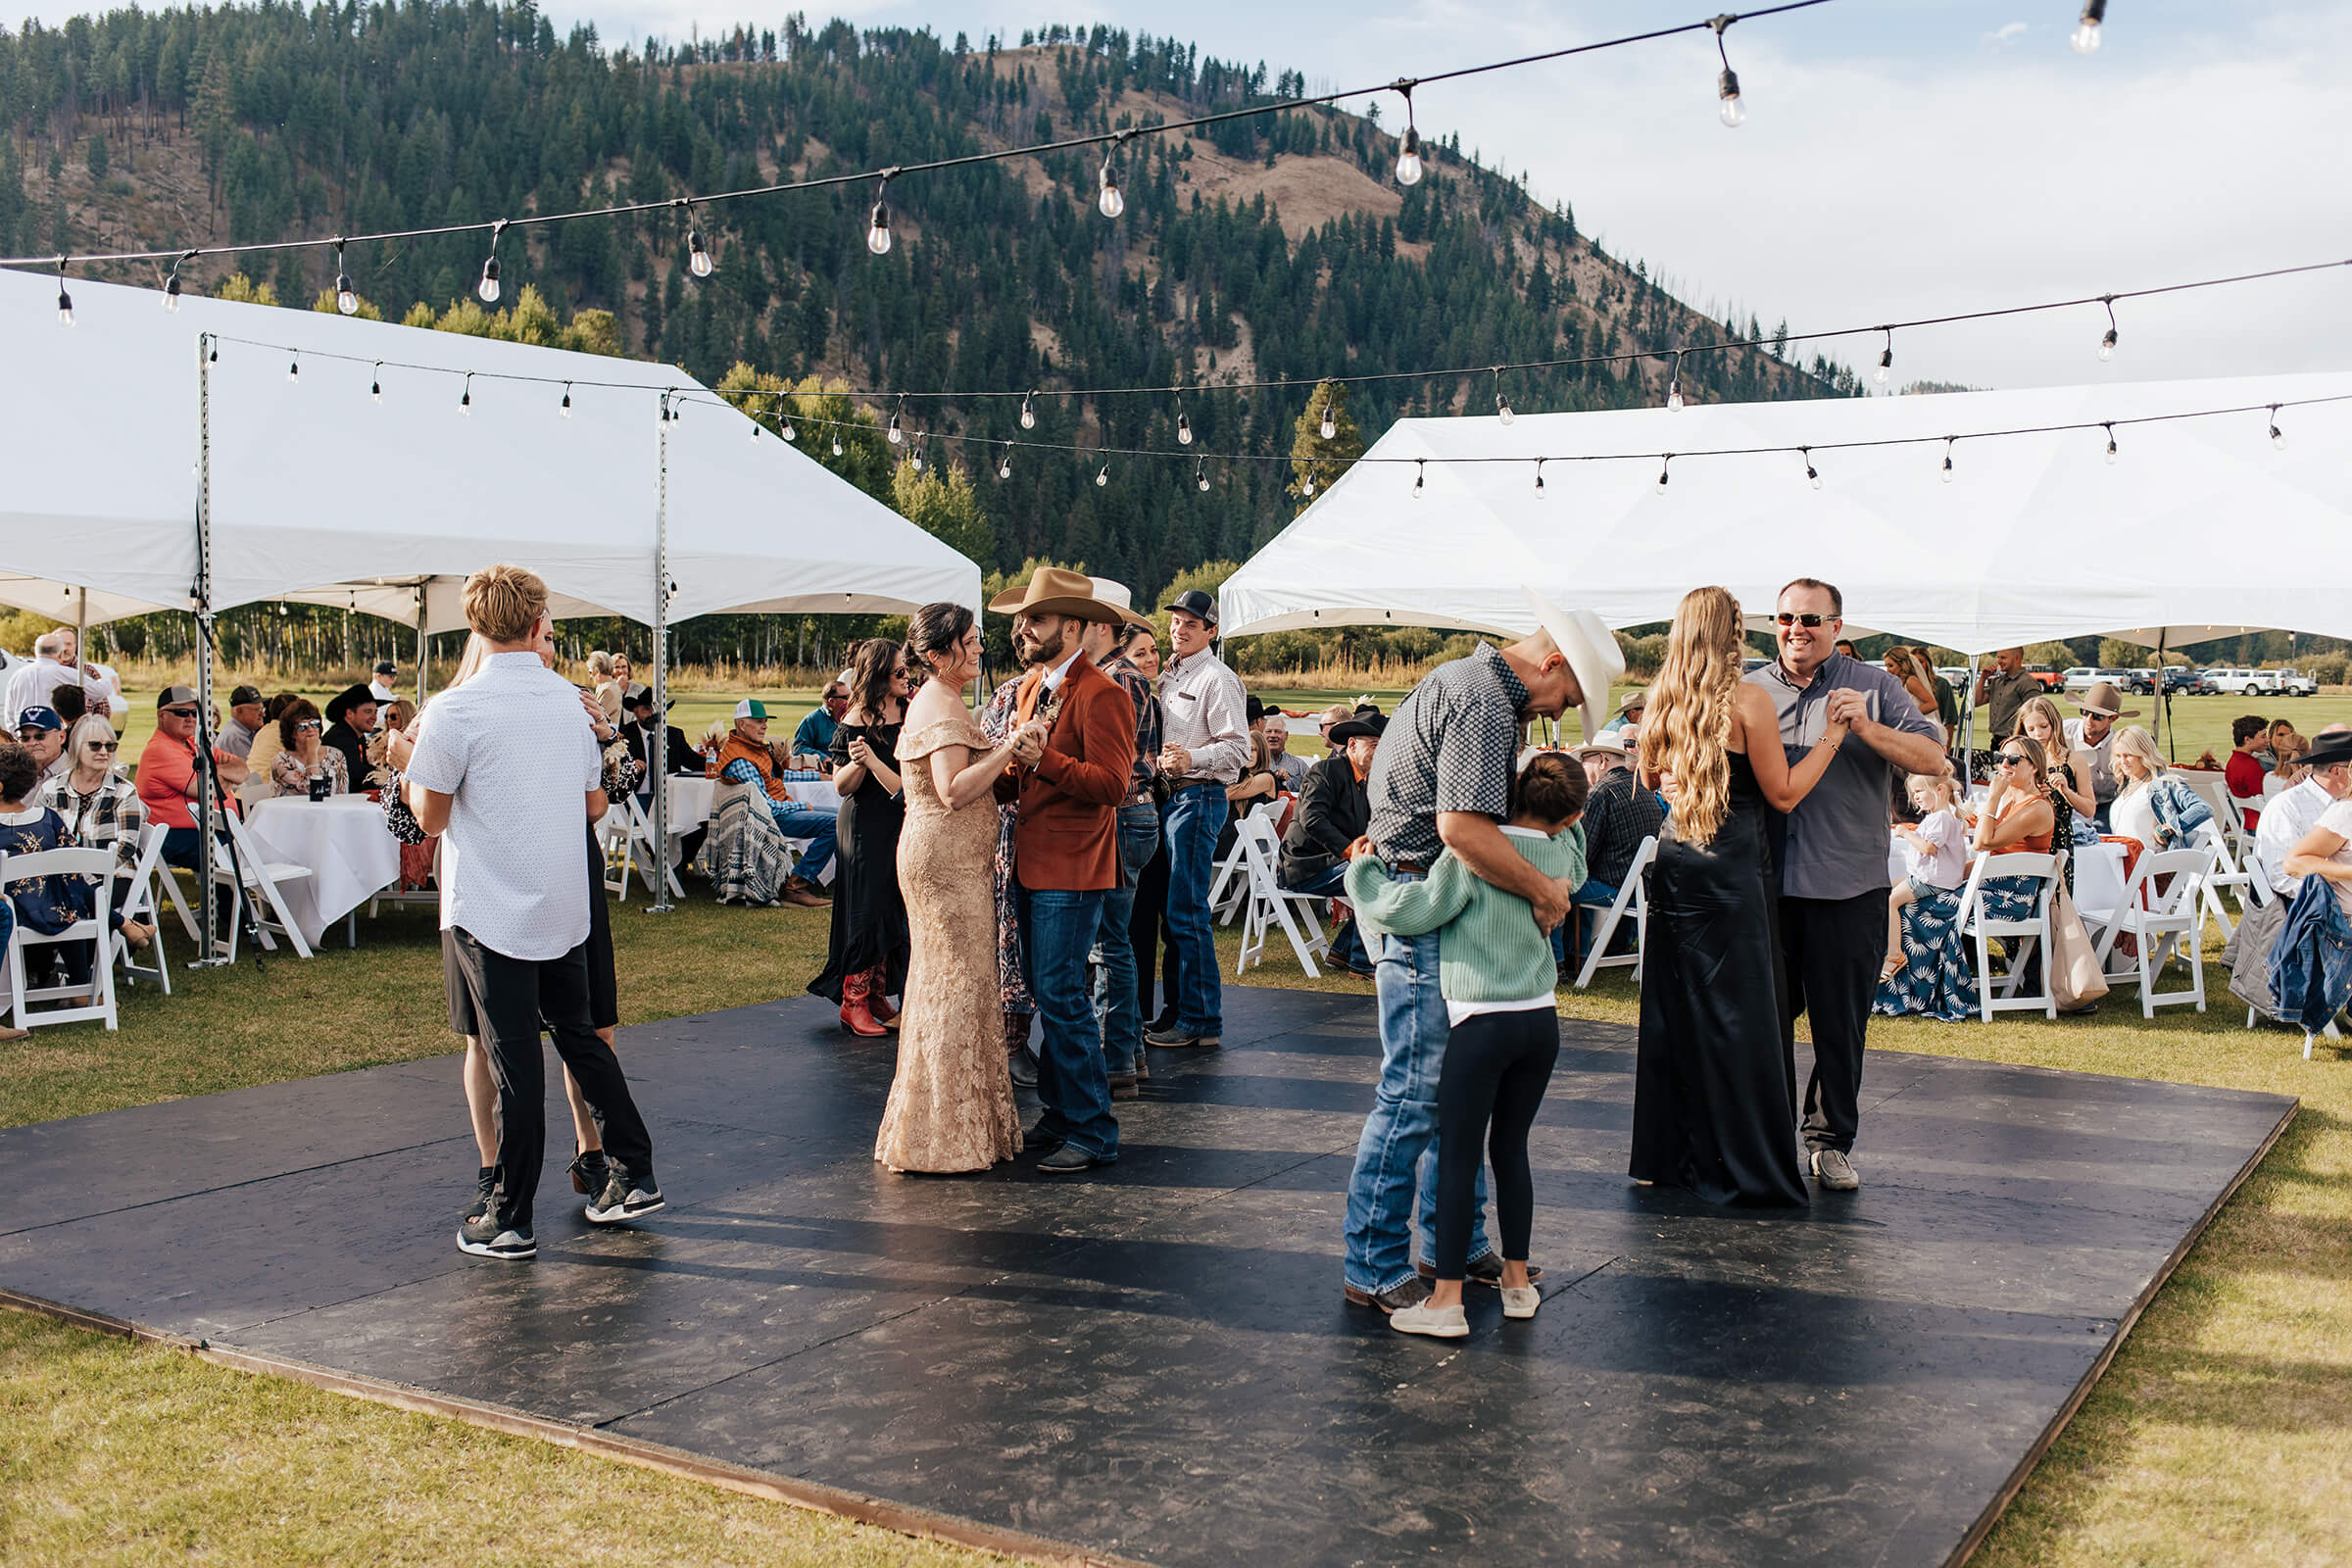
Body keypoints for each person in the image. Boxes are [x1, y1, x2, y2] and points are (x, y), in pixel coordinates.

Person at [1345, 594, 1621, 1314]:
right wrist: (1546, 893)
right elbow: (1463, 828)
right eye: (1566, 697)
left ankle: (1455, 1246)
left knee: (1453, 1099)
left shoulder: (1462, 683)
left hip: (1425, 903)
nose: (1554, 715)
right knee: (1415, 1096)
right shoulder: (1487, 705)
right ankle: (1372, 1262)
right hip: (1422, 916)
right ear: (1552, 663)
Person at [403, 564, 661, 1262]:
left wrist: (404, 761)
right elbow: (594, 804)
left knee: (514, 1059)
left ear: (477, 624)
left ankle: (511, 1215)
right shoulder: (569, 704)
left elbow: (426, 819)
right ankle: (632, 1170)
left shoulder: (456, 710)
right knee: (580, 1040)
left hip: (489, 907)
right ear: (537, 622)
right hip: (563, 901)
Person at [1348, 752, 1590, 1338]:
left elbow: (1414, 910)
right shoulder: (1560, 858)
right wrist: (1570, 816)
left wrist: (1363, 875)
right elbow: (1578, 855)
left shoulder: (1471, 857)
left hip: (1482, 1022)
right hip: (1541, 1022)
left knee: (1456, 1154)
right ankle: (1515, 1282)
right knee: (1511, 1151)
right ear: (1568, 816)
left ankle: (1446, 1304)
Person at [1631, 587, 1851, 1207]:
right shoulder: (1748, 700)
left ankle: (1669, 1156)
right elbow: (1782, 793)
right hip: (1730, 871)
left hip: (1677, 861)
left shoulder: (1663, 701)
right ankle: (1746, 1161)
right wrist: (1833, 736)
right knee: (1744, 1016)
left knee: (1678, 1011)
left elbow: (1648, 779)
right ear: (1730, 633)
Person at [1746, 578, 1946, 1191]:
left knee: (1841, 1026)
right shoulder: (1749, 691)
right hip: (1766, 887)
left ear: (1838, 626)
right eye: (1785, 618)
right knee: (1763, 1025)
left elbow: (1934, 760)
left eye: (1810, 619)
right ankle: (1766, 1142)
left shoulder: (1877, 688)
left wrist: (1868, 730)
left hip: (1849, 884)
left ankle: (1830, 1142)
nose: (1795, 629)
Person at [876, 603, 1040, 1173]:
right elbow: (951, 790)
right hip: (943, 867)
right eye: (970, 642)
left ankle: (948, 1125)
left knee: (955, 982)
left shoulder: (939, 699)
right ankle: (944, 1134)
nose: (979, 650)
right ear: (941, 652)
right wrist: (1010, 747)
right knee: (956, 983)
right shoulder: (940, 703)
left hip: (953, 861)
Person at [987, 568, 1136, 1173]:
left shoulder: (1106, 695)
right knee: (1050, 993)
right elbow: (1020, 777)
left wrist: (1041, 759)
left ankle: (1095, 1129)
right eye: (1022, 619)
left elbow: (1113, 786)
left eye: (1037, 619)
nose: (1023, 629)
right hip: (1028, 859)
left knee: (1063, 995)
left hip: (1073, 867)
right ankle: (1060, 1109)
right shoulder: (1026, 689)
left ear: (1072, 626)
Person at [1878, 735, 2060, 1022]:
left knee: (1915, 908)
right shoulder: (2016, 799)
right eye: (2001, 760)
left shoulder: (2036, 807)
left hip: (2008, 897)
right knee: (1909, 898)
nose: (2005, 766)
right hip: (1988, 884)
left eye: (2013, 760)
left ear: (2034, 766)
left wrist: (1995, 796)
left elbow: (1984, 841)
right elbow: (1989, 842)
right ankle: (1910, 990)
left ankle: (1916, 992)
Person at [1151, 587, 1250, 1050]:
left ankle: (1202, 1021)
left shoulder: (1217, 677)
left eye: (1191, 623)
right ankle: (1180, 1012)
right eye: (1176, 621)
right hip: (1172, 800)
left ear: (1212, 631)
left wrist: (1190, 756)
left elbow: (1239, 750)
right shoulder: (1170, 674)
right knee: (1176, 914)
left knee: (1187, 912)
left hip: (1198, 797)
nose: (1180, 629)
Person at [809, 643, 915, 1034]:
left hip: (899, 821)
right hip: (864, 823)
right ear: (879, 676)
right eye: (900, 673)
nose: (907, 678)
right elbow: (842, 786)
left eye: (908, 672)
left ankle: (875, 992)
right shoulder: (856, 718)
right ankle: (852, 1001)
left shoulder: (908, 713)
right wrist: (860, 761)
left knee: (893, 907)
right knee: (867, 908)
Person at [1087, 583, 1161, 1098]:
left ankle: (1114, 1061)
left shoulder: (1115, 678)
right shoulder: (1130, 677)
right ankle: (1128, 1055)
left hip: (1122, 813)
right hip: (1139, 812)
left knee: (1109, 942)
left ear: (1101, 628)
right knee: (1119, 940)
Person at [1278, 710, 1385, 977]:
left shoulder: (1366, 781)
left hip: (1331, 863)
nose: (1379, 752)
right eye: (1373, 744)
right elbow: (1312, 819)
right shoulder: (1325, 770)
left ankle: (1343, 950)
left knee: (1390, 871)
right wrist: (1352, 852)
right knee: (1372, 876)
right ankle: (1362, 963)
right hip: (1305, 866)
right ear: (1351, 745)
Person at [714, 700, 834, 909]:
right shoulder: (740, 759)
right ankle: (796, 887)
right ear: (742, 725)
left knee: (845, 815)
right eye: (759, 721)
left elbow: (775, 777)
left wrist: (819, 777)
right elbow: (765, 807)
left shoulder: (750, 749)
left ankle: (847, 880)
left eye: (765, 721)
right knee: (835, 824)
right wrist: (801, 806)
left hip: (779, 810)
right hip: (772, 819)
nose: (765, 726)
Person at [1566, 730, 1666, 966]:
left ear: (1602, 760)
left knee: (1561, 882)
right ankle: (1584, 952)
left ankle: (1564, 958)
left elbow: (1582, 857)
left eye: (1585, 761)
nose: (1583, 768)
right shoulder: (1642, 788)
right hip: (1643, 888)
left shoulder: (1602, 792)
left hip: (1617, 889)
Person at [136, 686, 250, 868]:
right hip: (173, 836)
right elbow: (207, 790)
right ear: (161, 715)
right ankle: (230, 896)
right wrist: (223, 775)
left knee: (250, 847)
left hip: (206, 830)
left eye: (194, 712)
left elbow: (243, 770)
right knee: (239, 855)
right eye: (181, 712)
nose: (191, 718)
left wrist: (215, 772)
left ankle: (230, 896)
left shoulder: (192, 742)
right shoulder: (160, 749)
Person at [1884, 774, 1967, 982]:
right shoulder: (1939, 816)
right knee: (1884, 888)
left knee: (1891, 901)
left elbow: (1929, 848)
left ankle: (1895, 955)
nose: (1915, 797)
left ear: (1939, 790)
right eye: (1914, 792)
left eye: (1919, 791)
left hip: (1931, 880)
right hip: (1925, 876)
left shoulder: (1942, 818)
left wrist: (1905, 834)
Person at [2256, 724, 2352, 896]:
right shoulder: (2286, 805)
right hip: (2315, 913)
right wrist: (2332, 902)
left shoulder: (2344, 804)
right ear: (2338, 771)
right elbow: (2281, 876)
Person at [2107, 725, 2214, 855]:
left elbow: (2203, 808)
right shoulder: (2125, 786)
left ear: (2143, 753)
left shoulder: (2164, 784)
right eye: (2118, 756)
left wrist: (2171, 827)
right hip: (2121, 863)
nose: (2122, 761)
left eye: (2128, 755)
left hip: (2150, 866)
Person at [2018, 694, 2098, 845]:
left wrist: (2066, 791)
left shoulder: (2074, 760)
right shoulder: (2019, 760)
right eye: (2031, 729)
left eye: (2043, 726)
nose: (2038, 734)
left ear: (2054, 724)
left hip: (2061, 840)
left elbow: (2089, 810)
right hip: (2025, 836)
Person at [2061, 681, 2134, 831]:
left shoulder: (2120, 745)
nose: (2088, 720)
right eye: (2084, 712)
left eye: (2097, 716)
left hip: (2104, 806)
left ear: (2113, 719)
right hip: (2067, 802)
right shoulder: (2062, 732)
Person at [8, 629, 119, 726]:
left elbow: (10, 716)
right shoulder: (64, 673)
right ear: (60, 653)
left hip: (23, 738)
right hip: (55, 739)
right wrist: (107, 680)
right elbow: (101, 690)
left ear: (36, 651)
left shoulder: (16, 676)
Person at [268, 699, 349, 798]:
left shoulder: (336, 755)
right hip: (292, 811)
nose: (311, 730)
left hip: (330, 811)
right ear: (291, 733)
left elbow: (343, 794)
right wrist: (312, 753)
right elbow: (315, 793)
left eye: (315, 724)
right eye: (302, 726)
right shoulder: (282, 761)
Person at [1974, 649, 2040, 759]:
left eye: (2003, 658)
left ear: (2017, 658)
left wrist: (2017, 738)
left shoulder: (2027, 683)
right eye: (1998, 657)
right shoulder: (1998, 682)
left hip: (2017, 744)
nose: (1999, 661)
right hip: (1997, 742)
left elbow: (2035, 715)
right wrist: (1983, 678)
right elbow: (1976, 701)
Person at [321, 683, 378, 789]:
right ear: (350, 714)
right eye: (368, 712)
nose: (374, 717)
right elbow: (356, 774)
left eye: (375, 712)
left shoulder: (357, 736)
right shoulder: (340, 738)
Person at [2226, 714, 2270, 831]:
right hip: (2259, 824)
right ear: (2247, 739)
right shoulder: (2250, 766)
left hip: (2248, 823)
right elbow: (2265, 797)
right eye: (2263, 736)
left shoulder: (2233, 762)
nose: (2267, 740)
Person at [794, 679, 851, 764]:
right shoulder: (812, 720)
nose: (850, 700)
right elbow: (798, 748)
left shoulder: (852, 717)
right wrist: (823, 758)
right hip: (826, 772)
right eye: (846, 697)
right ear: (832, 701)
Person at [16, 706, 68, 790]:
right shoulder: (15, 776)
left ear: (61, 737)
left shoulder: (78, 774)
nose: (32, 743)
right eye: (25, 738)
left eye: (40, 736)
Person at [1264, 708, 1311, 792]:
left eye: (1278, 731)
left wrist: (1288, 780)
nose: (1273, 735)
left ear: (1286, 736)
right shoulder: (1254, 763)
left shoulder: (1299, 765)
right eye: (1268, 731)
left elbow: (1312, 790)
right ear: (1261, 735)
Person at [219, 685, 267, 760]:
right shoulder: (235, 737)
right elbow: (252, 769)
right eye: (257, 710)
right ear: (239, 711)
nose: (263, 714)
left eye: (262, 709)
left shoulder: (244, 732)